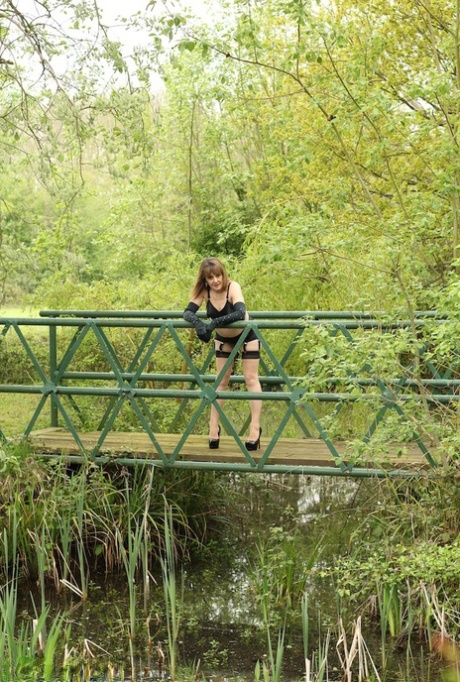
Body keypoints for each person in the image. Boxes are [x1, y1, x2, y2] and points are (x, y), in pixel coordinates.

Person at [183, 257, 262, 451]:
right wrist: (199, 325)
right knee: (220, 382)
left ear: (223, 274)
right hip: (224, 340)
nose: (216, 280)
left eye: (218, 275)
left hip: (247, 335)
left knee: (250, 379)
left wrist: (213, 323)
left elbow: (239, 313)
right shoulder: (205, 292)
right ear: (205, 279)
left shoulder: (232, 287)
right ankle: (213, 428)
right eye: (211, 278)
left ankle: (255, 428)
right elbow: (187, 312)